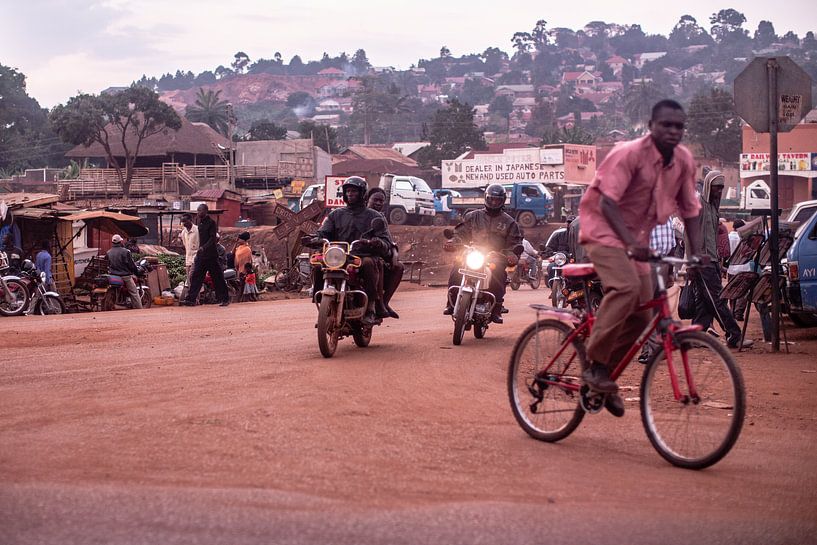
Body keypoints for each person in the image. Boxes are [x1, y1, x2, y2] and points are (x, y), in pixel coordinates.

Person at [578, 99, 704, 418]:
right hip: (604, 231)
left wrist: (696, 253)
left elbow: (690, 210)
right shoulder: (629, 153)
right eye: (666, 125)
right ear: (651, 126)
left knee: (642, 315)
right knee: (626, 288)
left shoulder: (683, 161)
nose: (673, 131)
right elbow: (607, 203)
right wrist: (631, 244)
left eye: (679, 126)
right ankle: (594, 363)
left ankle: (602, 379)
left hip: (637, 240)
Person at [307, 176, 392, 325]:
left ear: (362, 193)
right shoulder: (336, 214)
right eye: (348, 191)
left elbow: (386, 242)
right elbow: (323, 232)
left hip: (362, 256)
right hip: (339, 256)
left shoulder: (374, 216)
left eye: (354, 191)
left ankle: (371, 308)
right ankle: (321, 301)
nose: (350, 194)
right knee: (318, 264)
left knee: (368, 264)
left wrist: (376, 242)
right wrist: (315, 238)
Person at [690, 170, 753, 349]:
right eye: (717, 187)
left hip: (713, 260)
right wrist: (691, 261)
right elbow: (690, 234)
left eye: (721, 188)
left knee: (704, 300)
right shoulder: (699, 206)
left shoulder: (713, 207)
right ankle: (734, 335)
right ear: (708, 186)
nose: (719, 191)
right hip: (702, 261)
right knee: (718, 299)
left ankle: (696, 336)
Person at [443, 183, 523, 324]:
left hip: (495, 256)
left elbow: (514, 243)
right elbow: (460, 234)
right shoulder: (472, 216)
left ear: (503, 201)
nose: (494, 202)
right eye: (491, 199)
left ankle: (496, 308)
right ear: (486, 198)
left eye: (497, 200)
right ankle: (451, 302)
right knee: (458, 266)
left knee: (498, 272)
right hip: (473, 252)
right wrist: (452, 242)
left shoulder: (509, 222)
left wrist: (511, 255)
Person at [638, 217, 678, 363]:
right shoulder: (668, 218)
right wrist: (669, 272)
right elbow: (672, 247)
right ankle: (651, 349)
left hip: (649, 265)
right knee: (656, 308)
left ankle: (654, 349)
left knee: (644, 309)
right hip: (664, 264)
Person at [366, 186, 402, 319]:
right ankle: (378, 303)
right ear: (367, 199)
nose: (378, 203)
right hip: (355, 253)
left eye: (381, 201)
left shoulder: (381, 218)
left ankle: (384, 303)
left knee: (398, 267)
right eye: (375, 200)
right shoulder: (360, 213)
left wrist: (392, 253)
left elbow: (388, 240)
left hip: (376, 252)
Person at [183, 204, 229, 307]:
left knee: (217, 278)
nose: (198, 212)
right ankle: (190, 299)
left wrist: (204, 247)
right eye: (197, 211)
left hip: (211, 255)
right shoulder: (200, 223)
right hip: (202, 256)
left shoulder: (211, 223)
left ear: (205, 211)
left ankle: (224, 299)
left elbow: (212, 238)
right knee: (196, 277)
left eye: (200, 210)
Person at [106, 234, 143, 309]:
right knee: (134, 292)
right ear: (120, 242)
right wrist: (137, 272)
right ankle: (139, 309)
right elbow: (131, 265)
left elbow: (108, 264)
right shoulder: (126, 252)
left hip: (113, 276)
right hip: (125, 276)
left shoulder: (108, 252)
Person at [542, 214, 574, 282]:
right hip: (560, 260)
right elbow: (550, 247)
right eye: (569, 222)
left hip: (574, 262)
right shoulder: (559, 235)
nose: (570, 224)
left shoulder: (581, 236)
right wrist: (549, 252)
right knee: (551, 267)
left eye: (572, 222)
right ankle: (552, 286)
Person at [179, 213, 199, 298]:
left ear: (191, 220)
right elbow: (185, 246)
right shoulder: (184, 232)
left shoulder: (197, 230)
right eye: (182, 221)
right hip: (188, 259)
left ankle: (191, 297)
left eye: (185, 221)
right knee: (190, 280)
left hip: (196, 258)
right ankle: (195, 298)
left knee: (191, 277)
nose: (183, 223)